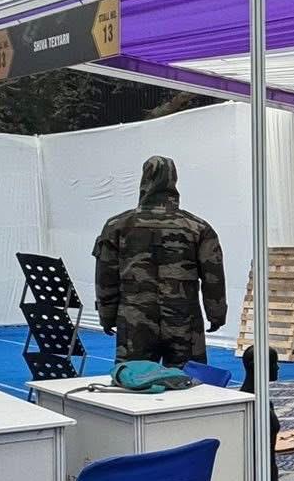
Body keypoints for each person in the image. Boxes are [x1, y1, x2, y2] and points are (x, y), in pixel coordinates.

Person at [92, 155, 225, 366]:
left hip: (135, 322)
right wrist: (216, 314)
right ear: (174, 181)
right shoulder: (198, 228)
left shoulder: (117, 226)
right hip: (184, 321)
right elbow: (213, 278)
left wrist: (106, 315)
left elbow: (106, 277)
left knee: (134, 379)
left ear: (144, 180)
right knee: (189, 382)